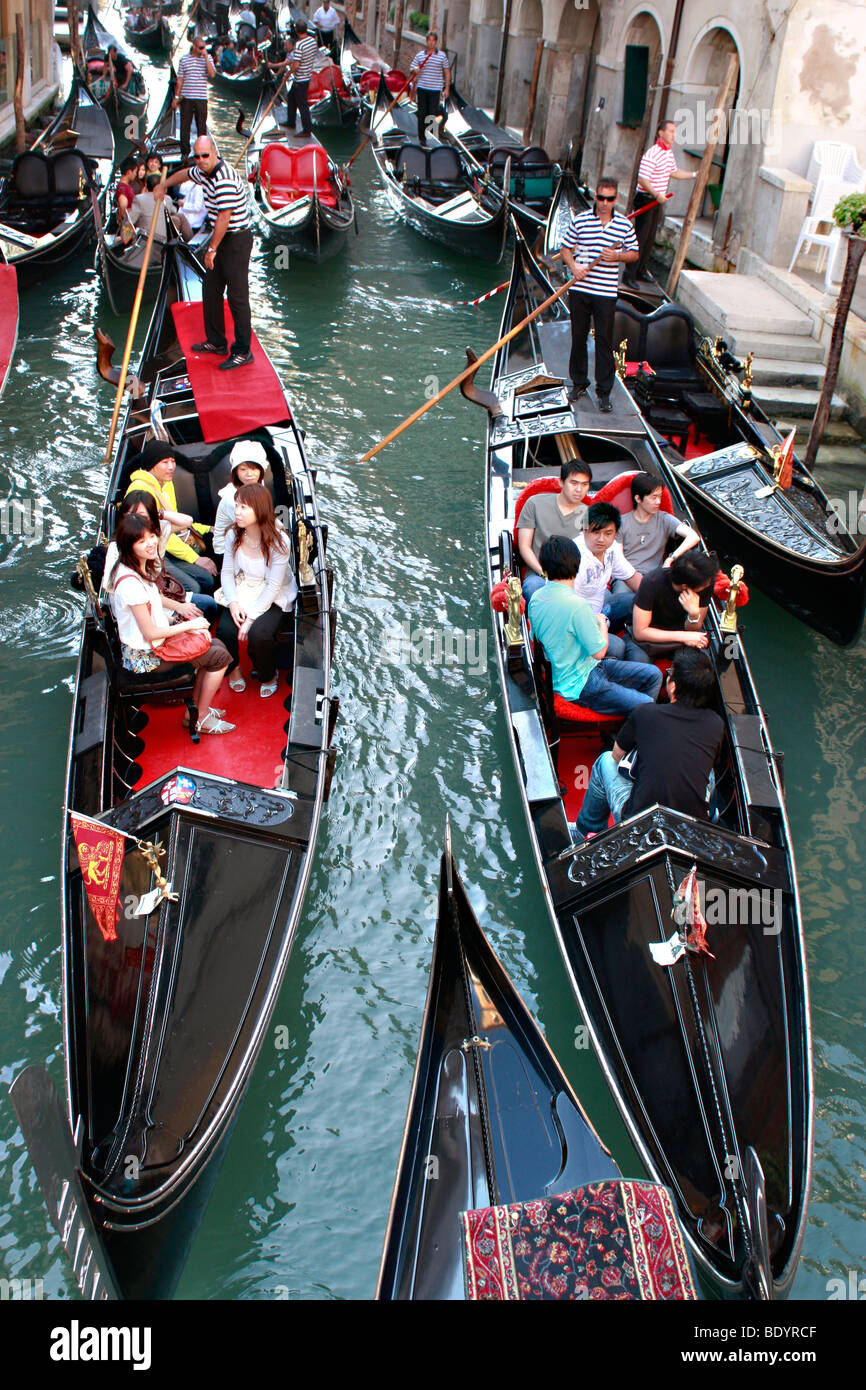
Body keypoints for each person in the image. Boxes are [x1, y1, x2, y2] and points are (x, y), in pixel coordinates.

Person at [574, 648, 724, 838]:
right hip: (688, 827)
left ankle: (585, 830)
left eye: (670, 673)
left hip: (639, 822)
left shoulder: (645, 713)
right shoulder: (716, 724)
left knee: (604, 761)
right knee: (708, 769)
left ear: (673, 686)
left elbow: (616, 756)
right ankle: (710, 817)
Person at [110, 513, 235, 735]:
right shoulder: (130, 583)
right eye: (141, 541)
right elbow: (150, 632)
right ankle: (201, 718)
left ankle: (194, 712)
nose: (150, 543)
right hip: (144, 657)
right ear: (129, 546)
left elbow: (152, 612)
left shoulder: (138, 567)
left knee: (216, 647)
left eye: (151, 536)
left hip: (152, 644)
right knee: (219, 657)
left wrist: (179, 620)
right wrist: (189, 626)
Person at [528, 537, 662, 716]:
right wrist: (601, 623)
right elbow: (599, 653)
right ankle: (632, 733)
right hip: (579, 685)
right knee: (647, 705)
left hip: (584, 668)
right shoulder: (578, 606)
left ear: (544, 568)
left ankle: (631, 728)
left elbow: (534, 636)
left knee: (653, 674)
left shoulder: (535, 598)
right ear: (576, 566)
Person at [156, 137, 254, 370]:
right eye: (197, 156)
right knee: (210, 288)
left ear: (215, 153)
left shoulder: (224, 179)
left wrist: (211, 250)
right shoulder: (203, 171)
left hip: (236, 239)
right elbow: (186, 174)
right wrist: (164, 185)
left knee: (237, 297)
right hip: (221, 237)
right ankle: (216, 341)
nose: (200, 161)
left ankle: (243, 351)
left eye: (205, 156)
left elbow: (223, 217)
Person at [559, 178, 639, 412]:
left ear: (615, 200)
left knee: (604, 341)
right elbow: (565, 249)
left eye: (610, 199)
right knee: (578, 337)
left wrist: (617, 257)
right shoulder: (581, 220)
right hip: (580, 288)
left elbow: (634, 253)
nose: (604, 203)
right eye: (601, 198)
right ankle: (579, 383)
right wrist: (574, 267)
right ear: (595, 197)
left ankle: (604, 392)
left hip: (605, 292)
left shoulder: (624, 225)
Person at [216, 484, 297, 696]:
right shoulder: (233, 535)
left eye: (243, 507)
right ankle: (234, 670)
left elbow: (273, 585)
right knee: (225, 629)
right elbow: (227, 572)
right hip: (245, 586)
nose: (237, 512)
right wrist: (233, 603)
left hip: (273, 593)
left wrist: (250, 619)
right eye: (236, 506)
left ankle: (269, 675)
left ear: (259, 509)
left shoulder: (279, 541)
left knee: (260, 634)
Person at [103, 491, 218, 621]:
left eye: (141, 516)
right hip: (141, 611)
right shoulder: (118, 551)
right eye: (130, 516)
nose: (135, 522)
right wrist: (178, 610)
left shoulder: (154, 534)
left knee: (209, 602)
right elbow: (139, 597)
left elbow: (187, 521)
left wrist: (160, 513)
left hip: (160, 595)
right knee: (199, 601)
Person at [125, 441, 218, 593]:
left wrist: (208, 528)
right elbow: (162, 531)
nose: (171, 466)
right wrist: (195, 559)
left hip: (167, 542)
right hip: (153, 552)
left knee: (207, 580)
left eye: (173, 461)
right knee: (194, 587)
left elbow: (174, 521)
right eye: (165, 462)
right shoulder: (140, 490)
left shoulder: (166, 483)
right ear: (152, 465)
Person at [571, 503, 648, 662]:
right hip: (577, 623)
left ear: (615, 534)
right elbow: (567, 607)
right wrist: (599, 625)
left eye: (608, 533)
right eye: (596, 532)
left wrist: (658, 599)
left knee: (635, 601)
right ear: (585, 530)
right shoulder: (574, 556)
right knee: (618, 647)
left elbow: (634, 579)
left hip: (601, 611)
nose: (601, 539)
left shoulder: (611, 549)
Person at [625, 119, 697, 288]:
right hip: (646, 199)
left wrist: (694, 175)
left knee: (650, 238)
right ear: (661, 133)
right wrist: (657, 194)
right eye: (671, 131)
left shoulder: (668, 153)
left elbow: (674, 172)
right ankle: (629, 275)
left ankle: (641, 271)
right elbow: (642, 179)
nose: (674, 135)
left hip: (657, 200)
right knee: (640, 238)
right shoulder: (653, 153)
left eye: (674, 132)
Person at [519, 459, 592, 602]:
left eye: (584, 484)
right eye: (574, 483)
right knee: (534, 587)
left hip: (574, 577)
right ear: (561, 482)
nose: (579, 489)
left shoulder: (588, 514)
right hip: (538, 575)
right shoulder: (534, 503)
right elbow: (524, 546)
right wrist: (543, 573)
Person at [631, 551, 720, 657]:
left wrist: (694, 614)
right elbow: (640, 633)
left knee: (701, 660)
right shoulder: (652, 581)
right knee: (640, 661)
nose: (708, 585)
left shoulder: (706, 583)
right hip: (650, 635)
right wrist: (683, 637)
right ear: (685, 586)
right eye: (705, 585)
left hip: (682, 636)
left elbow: (693, 630)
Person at [617, 474, 700, 579]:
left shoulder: (664, 519)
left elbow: (693, 536)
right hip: (626, 577)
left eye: (660, 496)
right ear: (638, 498)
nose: (658, 502)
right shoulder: (621, 522)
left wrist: (671, 558)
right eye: (653, 497)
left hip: (655, 577)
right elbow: (618, 558)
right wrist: (635, 579)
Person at [212, 440, 269, 554]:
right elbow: (252, 528)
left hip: (250, 538)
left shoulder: (258, 485)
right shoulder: (231, 498)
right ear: (236, 472)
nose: (249, 474)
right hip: (227, 549)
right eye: (243, 469)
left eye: (254, 469)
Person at [174, 35, 216, 162]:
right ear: (194, 46)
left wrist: (206, 56)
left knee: (201, 127)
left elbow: (212, 74)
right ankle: (185, 153)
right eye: (200, 47)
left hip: (201, 98)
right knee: (185, 126)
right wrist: (176, 97)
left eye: (204, 47)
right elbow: (180, 79)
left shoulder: (207, 58)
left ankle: (202, 151)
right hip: (186, 98)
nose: (202, 49)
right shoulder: (184, 59)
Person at [125, 174, 192, 250]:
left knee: (178, 217)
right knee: (178, 217)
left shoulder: (139, 199)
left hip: (146, 241)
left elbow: (130, 221)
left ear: (146, 186)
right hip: (160, 240)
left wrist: (123, 238)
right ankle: (189, 241)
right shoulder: (167, 198)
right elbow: (173, 210)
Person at [408, 31, 450, 146]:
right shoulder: (420, 55)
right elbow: (411, 68)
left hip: (435, 89)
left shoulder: (442, 56)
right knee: (422, 114)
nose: (431, 43)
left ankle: (430, 136)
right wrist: (415, 69)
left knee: (431, 114)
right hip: (422, 88)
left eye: (433, 40)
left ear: (436, 42)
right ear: (427, 42)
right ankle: (422, 139)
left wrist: (447, 88)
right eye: (429, 40)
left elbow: (447, 71)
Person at [284, 19, 319, 138]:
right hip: (307, 76)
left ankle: (307, 130)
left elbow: (296, 64)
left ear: (297, 31)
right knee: (291, 97)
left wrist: (288, 74)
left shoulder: (299, 44)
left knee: (303, 105)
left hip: (300, 79)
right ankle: (291, 122)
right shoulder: (312, 41)